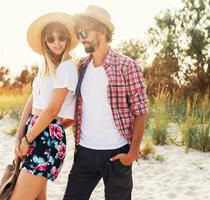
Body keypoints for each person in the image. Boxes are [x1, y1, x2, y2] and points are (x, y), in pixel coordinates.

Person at [63, 5, 149, 200]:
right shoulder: (81, 66)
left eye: (84, 32)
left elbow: (141, 111)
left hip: (117, 154)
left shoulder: (127, 65)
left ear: (101, 30)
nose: (80, 38)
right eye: (78, 33)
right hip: (85, 152)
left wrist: (132, 154)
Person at [10, 12, 78, 200]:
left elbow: (52, 111)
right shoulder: (44, 67)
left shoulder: (67, 67)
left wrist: (28, 140)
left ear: (67, 39)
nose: (57, 42)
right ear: (44, 42)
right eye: (51, 38)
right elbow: (33, 101)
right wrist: (19, 135)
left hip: (45, 140)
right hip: (35, 131)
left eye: (61, 37)